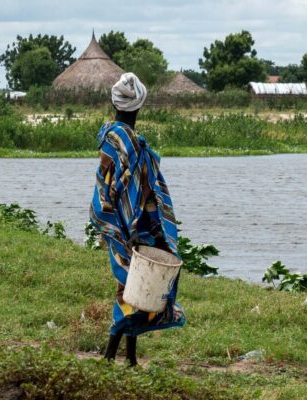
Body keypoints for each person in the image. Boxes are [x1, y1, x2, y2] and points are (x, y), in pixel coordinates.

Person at [89, 72, 184, 366]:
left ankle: (128, 357)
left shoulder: (109, 136)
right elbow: (131, 188)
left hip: (114, 221)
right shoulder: (130, 142)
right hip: (131, 225)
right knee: (132, 290)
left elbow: (109, 184)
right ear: (139, 106)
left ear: (114, 103)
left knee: (134, 288)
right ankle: (110, 355)